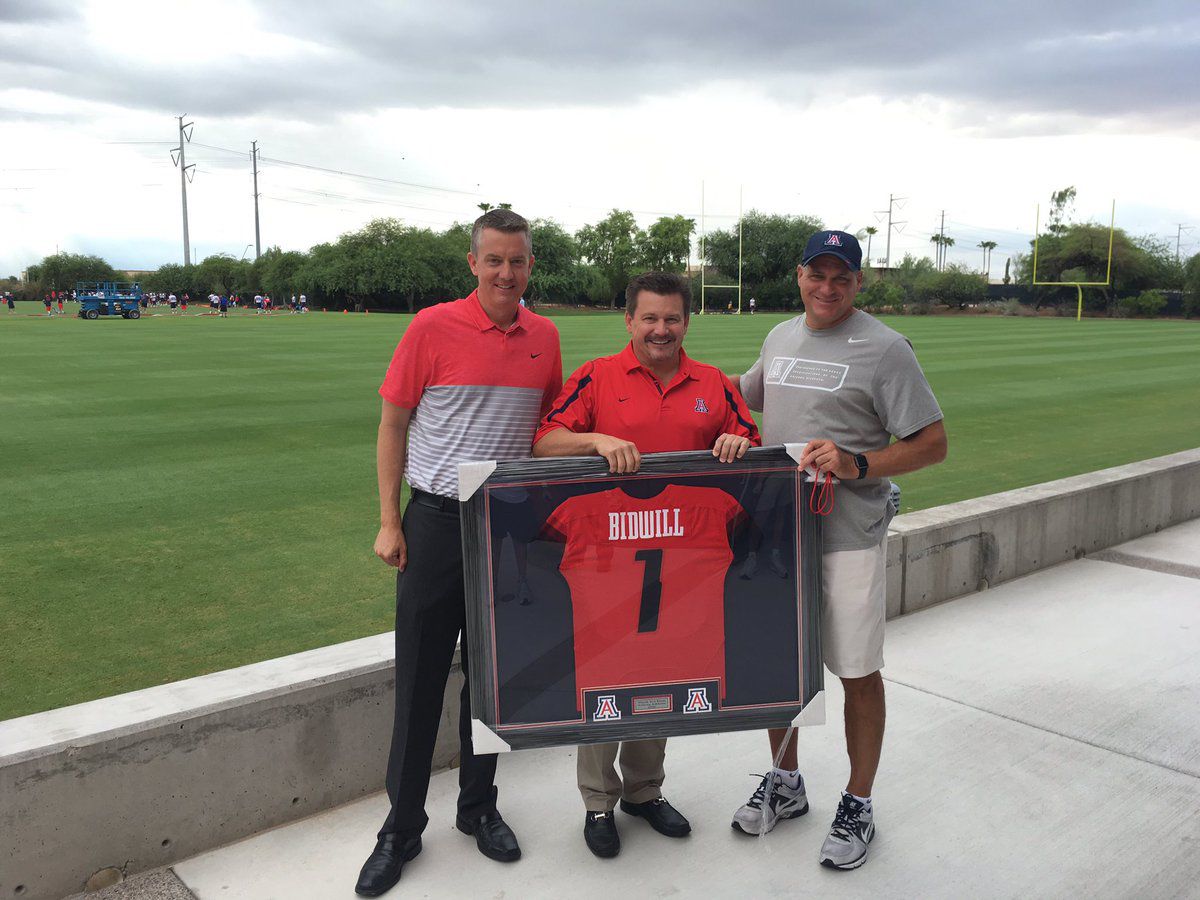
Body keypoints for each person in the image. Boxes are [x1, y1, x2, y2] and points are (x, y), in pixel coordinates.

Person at [357, 209, 563, 898]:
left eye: (519, 261)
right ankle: (402, 826)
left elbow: (546, 432)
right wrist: (391, 520)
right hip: (438, 522)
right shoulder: (431, 327)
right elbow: (393, 423)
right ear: (472, 263)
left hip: (507, 522)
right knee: (418, 679)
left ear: (530, 266)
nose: (507, 273)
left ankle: (478, 807)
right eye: (495, 260)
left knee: (493, 678)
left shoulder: (545, 337)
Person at [729, 230, 947, 870]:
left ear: (858, 282)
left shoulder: (885, 348)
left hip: (847, 535)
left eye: (841, 277)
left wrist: (859, 462)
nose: (827, 288)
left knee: (856, 670)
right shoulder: (779, 337)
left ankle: (858, 800)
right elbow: (745, 402)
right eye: (816, 274)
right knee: (778, 665)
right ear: (799, 276)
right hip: (776, 533)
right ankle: (786, 782)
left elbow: (932, 442)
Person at [532, 271, 760, 860]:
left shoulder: (712, 381)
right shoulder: (596, 375)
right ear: (629, 320)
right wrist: (596, 441)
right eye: (650, 318)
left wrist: (737, 443)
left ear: (688, 322)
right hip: (608, 556)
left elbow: (752, 441)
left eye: (673, 319)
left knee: (661, 670)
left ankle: (644, 790)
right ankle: (597, 803)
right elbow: (544, 441)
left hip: (683, 560)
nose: (662, 330)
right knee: (606, 676)